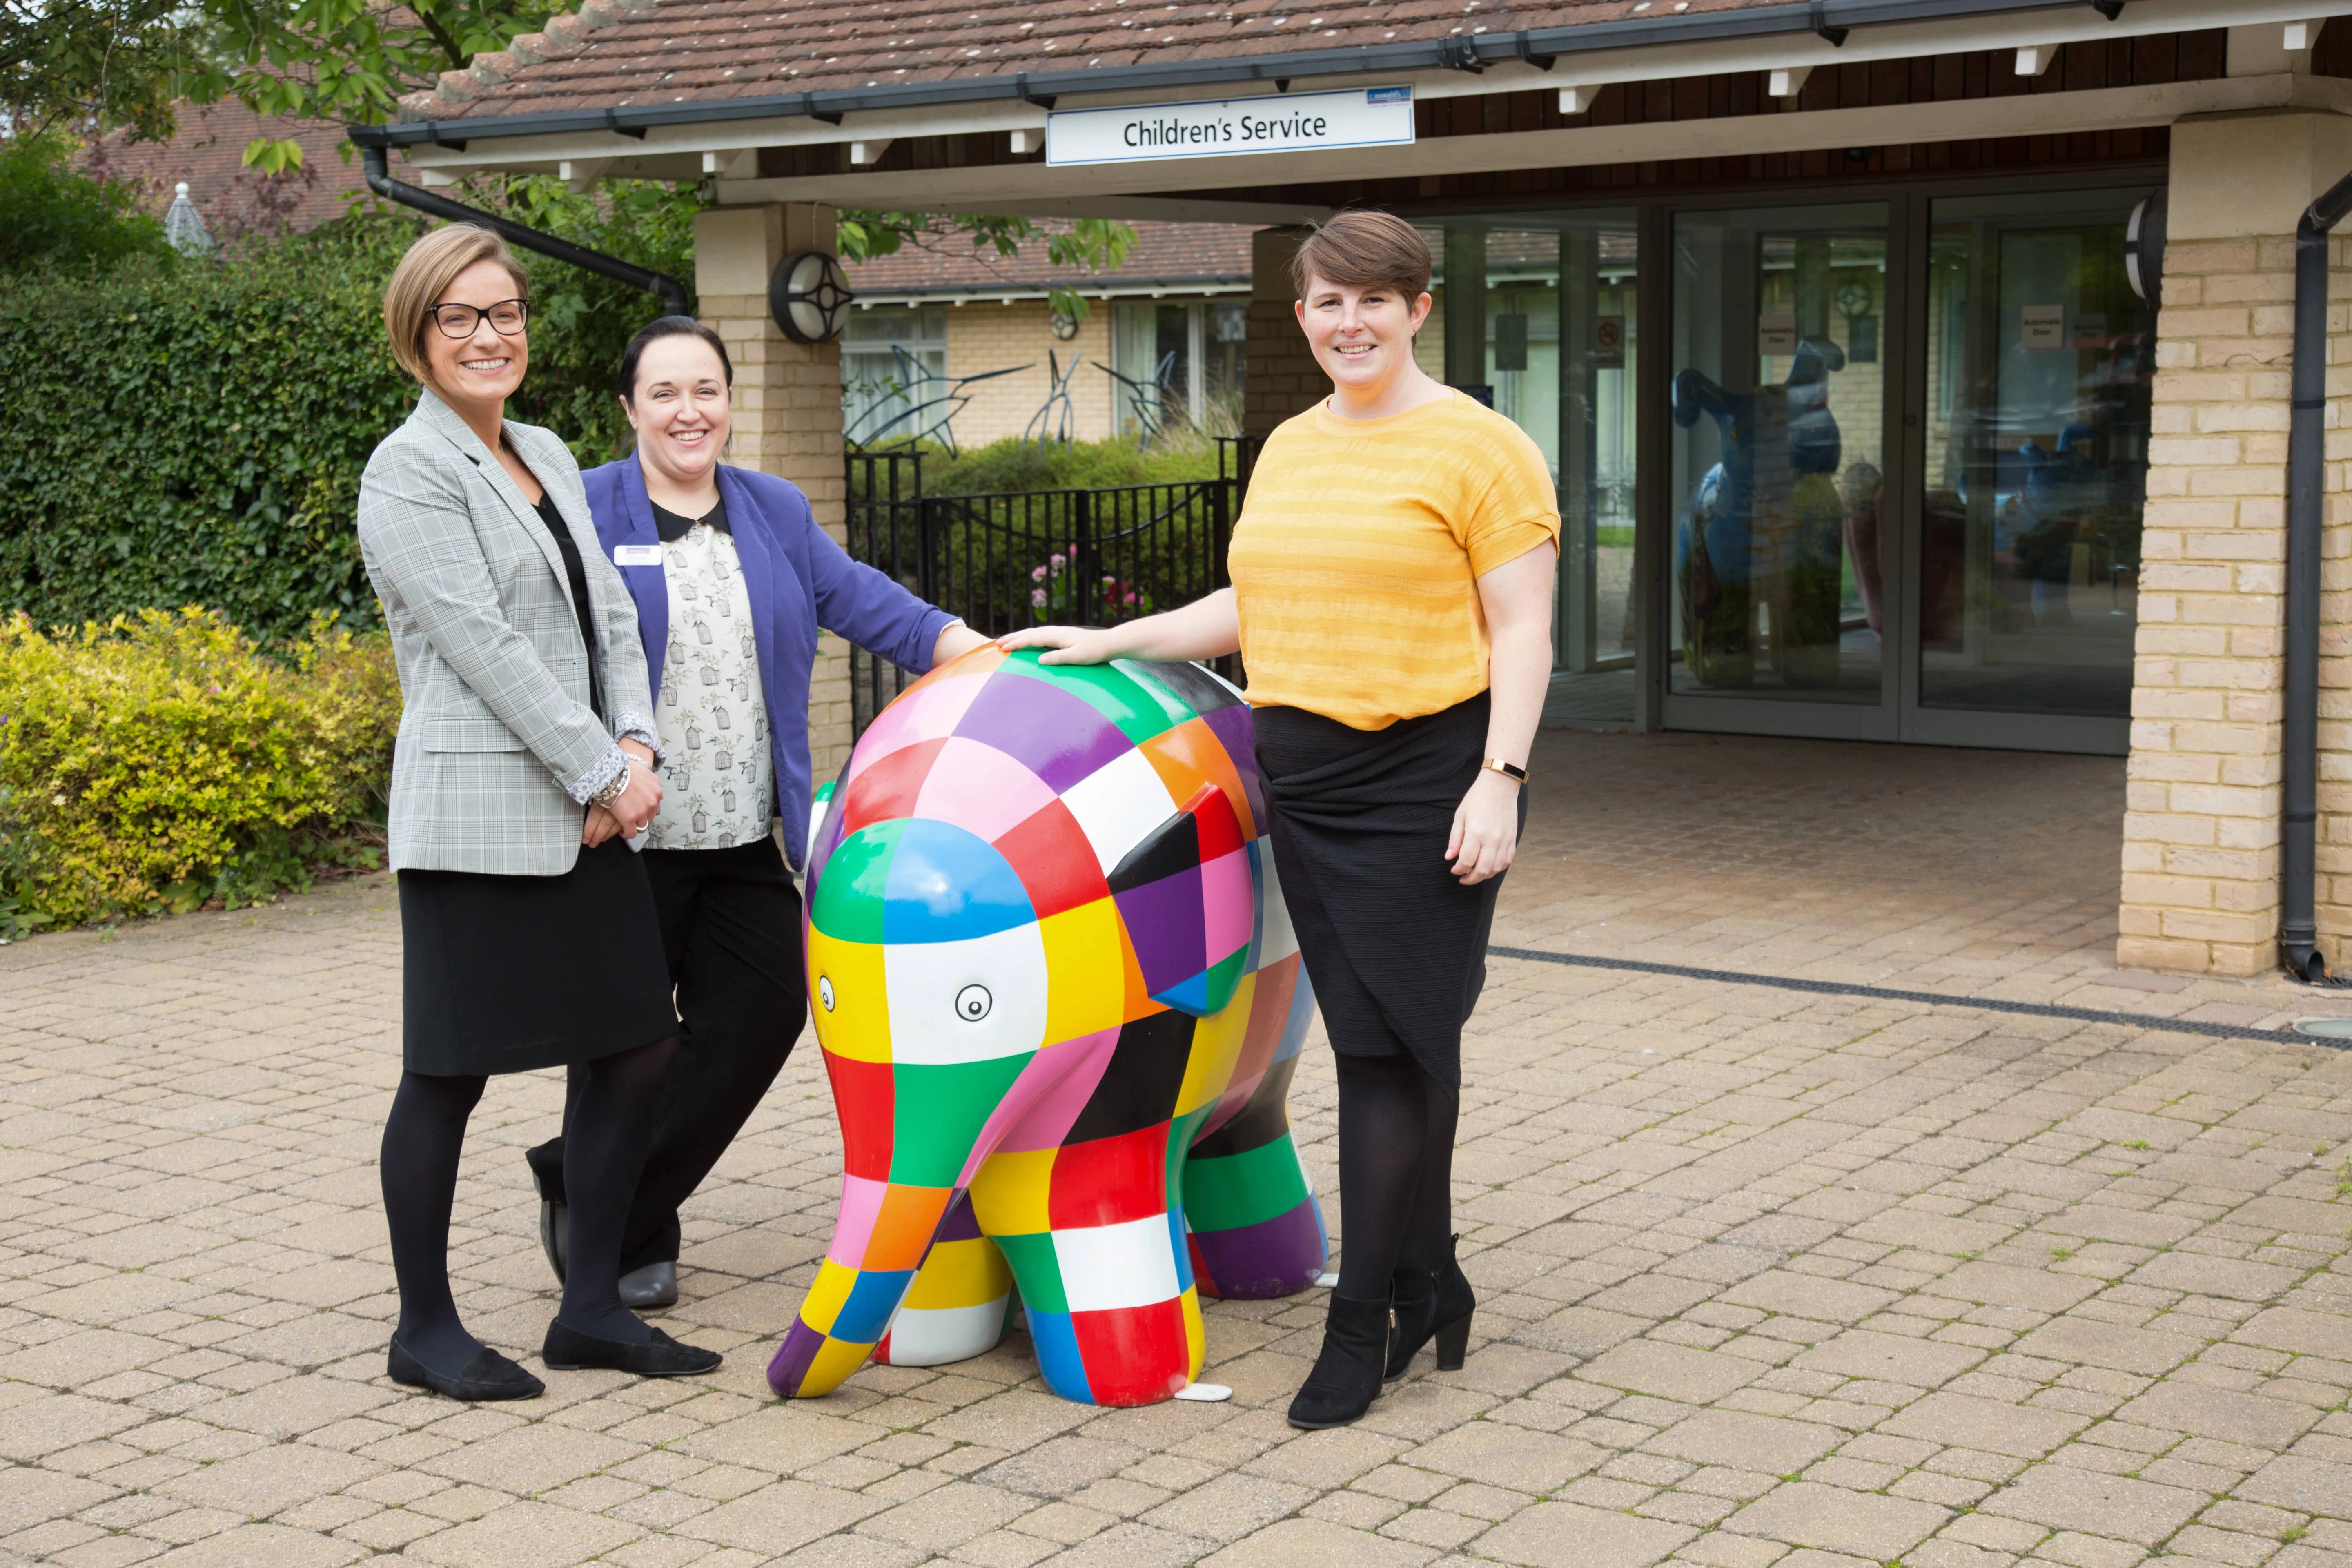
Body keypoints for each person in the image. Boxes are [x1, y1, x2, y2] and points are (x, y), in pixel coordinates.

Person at [1000, 209, 1557, 1430]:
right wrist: (1112, 641)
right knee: (1402, 1042)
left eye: (1372, 300)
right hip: (1304, 783)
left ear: (1419, 309)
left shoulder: (1484, 448)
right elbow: (1255, 601)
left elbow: (1522, 628)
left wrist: (1500, 781)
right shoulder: (1295, 447)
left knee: (1385, 1048)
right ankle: (1431, 1275)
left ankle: (1363, 1321)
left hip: (1427, 781)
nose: (1347, 323)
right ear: (1301, 316)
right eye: (1325, 303)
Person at [522, 316, 989, 1307]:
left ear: (729, 403)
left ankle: (587, 1181)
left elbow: (866, 602)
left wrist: (976, 649)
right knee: (624, 1040)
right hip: (622, 830)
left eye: (707, 391)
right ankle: (628, 1234)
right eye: (665, 393)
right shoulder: (585, 507)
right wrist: (589, 773)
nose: (689, 412)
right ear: (629, 407)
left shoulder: (771, 508)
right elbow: (541, 656)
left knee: (771, 1009)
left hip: (743, 836)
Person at [356, 226, 724, 1399]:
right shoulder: (406, 473)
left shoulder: (550, 452)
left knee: (637, 1049)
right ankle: (424, 1329)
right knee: (448, 1074)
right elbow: (486, 648)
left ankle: (591, 1309)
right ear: (417, 335)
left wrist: (634, 744)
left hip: (591, 803)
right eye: (459, 318)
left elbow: (609, 617)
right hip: (480, 820)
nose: (487, 336)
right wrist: (602, 777)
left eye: (504, 312)